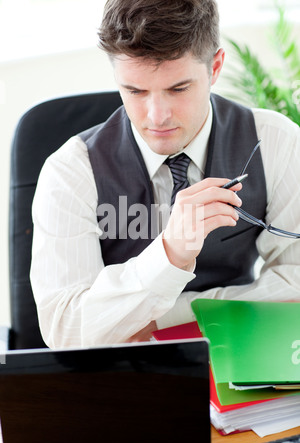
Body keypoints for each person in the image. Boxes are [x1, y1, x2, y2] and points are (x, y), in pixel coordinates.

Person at [30, 0, 300, 348]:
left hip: (240, 352)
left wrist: (159, 318)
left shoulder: (275, 141)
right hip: (123, 378)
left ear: (214, 67)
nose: (157, 116)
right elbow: (66, 331)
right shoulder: (70, 171)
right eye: (135, 91)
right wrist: (170, 254)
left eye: (178, 89)